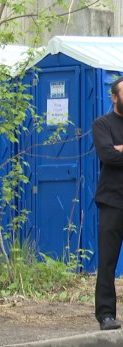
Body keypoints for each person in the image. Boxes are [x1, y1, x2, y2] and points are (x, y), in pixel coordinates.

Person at [92, 77, 123, 331]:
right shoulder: (102, 124)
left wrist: (120, 149)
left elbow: (117, 154)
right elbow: (107, 155)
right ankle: (106, 315)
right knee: (108, 261)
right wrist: (116, 151)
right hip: (112, 201)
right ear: (114, 97)